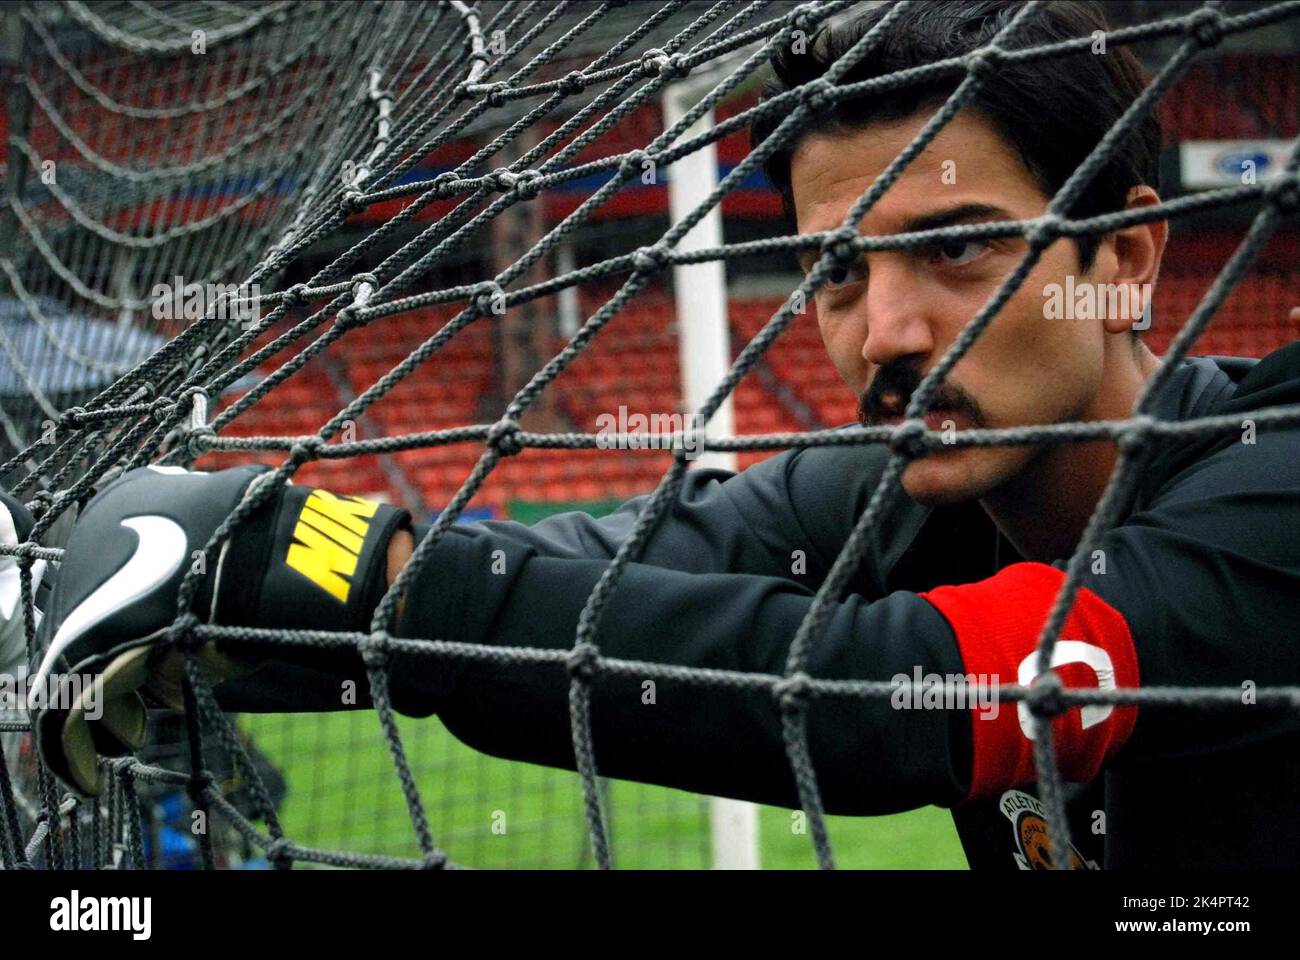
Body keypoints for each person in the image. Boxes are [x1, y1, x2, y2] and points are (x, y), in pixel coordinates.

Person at [22, 1, 1300, 869]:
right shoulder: (876, 500)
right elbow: (606, 571)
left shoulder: (1274, 469)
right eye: (836, 272)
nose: (886, 331)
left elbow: (914, 699)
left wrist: (348, 571)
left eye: (954, 247)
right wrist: (215, 605)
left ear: (1123, 259)